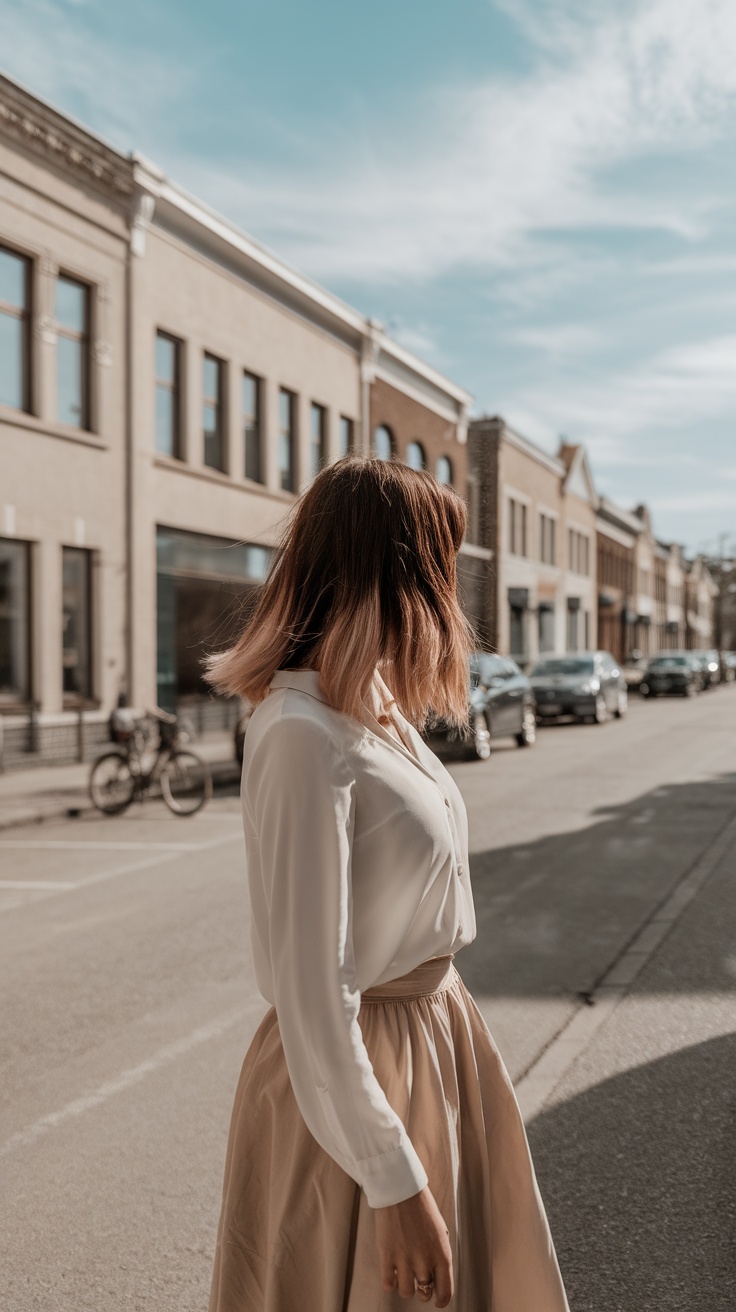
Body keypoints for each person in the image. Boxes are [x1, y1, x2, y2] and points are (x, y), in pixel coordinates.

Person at [206, 456, 569, 1311]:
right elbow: (312, 993)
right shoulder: (301, 733)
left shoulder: (372, 707)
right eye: (441, 566)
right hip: (360, 1076)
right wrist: (392, 1178)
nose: (453, 595)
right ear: (397, 574)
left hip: (434, 1046)